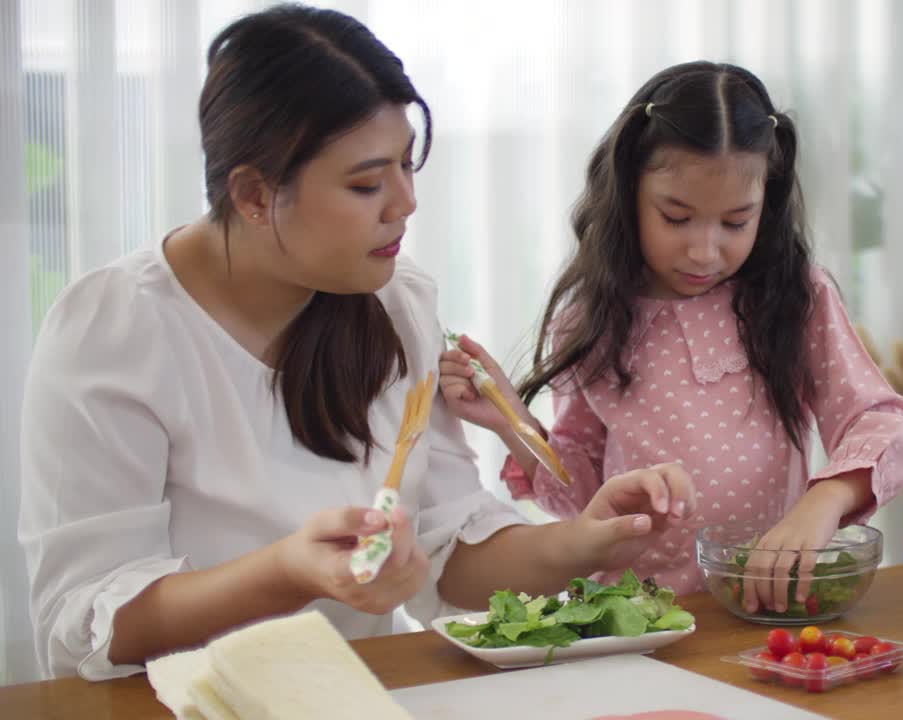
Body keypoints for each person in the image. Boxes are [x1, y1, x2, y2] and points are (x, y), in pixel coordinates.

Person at [18, 4, 693, 681]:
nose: (405, 202)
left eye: (407, 164)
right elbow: (91, 623)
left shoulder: (396, 304)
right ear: (253, 194)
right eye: (366, 182)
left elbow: (449, 557)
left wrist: (583, 540)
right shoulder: (114, 330)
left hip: (351, 695)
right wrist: (287, 571)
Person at [441, 61, 903, 616]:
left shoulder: (795, 299)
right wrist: (511, 421)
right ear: (626, 194)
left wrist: (825, 501)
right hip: (631, 615)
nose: (704, 251)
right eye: (676, 218)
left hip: (758, 609)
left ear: (767, 207)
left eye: (736, 222)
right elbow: (583, 502)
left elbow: (885, 422)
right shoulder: (590, 318)